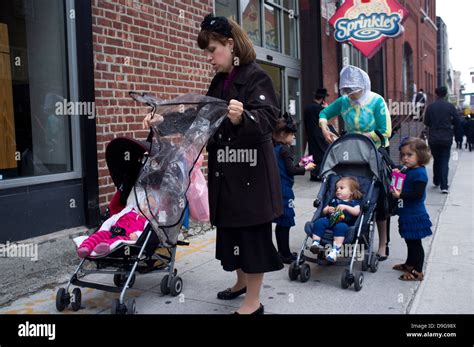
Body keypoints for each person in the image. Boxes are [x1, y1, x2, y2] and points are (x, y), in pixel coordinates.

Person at [144, 14, 283, 314]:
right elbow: (200, 118)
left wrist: (243, 116)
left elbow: (270, 118)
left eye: (212, 50)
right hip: (227, 173)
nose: (209, 58)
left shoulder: (257, 77)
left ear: (231, 45)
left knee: (251, 235)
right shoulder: (220, 81)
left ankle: (253, 301)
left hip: (251, 175)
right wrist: (163, 120)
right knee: (233, 231)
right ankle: (241, 282)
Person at [318, 65, 392, 260]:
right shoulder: (343, 102)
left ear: (364, 86)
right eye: (346, 90)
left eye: (353, 90)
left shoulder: (377, 101)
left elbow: (385, 131)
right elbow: (324, 113)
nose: (350, 94)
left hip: (374, 152)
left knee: (379, 198)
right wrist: (324, 126)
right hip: (349, 153)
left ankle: (383, 243)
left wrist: (363, 136)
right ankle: (346, 233)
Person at [272, 114, 316, 264]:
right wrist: (305, 168)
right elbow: (291, 170)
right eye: (292, 135)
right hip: (285, 191)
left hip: (277, 189)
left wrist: (299, 166)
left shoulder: (275, 148)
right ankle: (285, 255)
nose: (293, 138)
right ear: (284, 135)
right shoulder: (285, 149)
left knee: (281, 224)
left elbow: (286, 168)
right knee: (286, 223)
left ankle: (281, 252)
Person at [390, 138, 432, 281]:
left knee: (415, 244)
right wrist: (396, 174)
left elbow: (417, 194)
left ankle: (417, 271)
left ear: (420, 155)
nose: (405, 158)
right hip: (407, 213)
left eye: (409, 155)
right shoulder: (409, 169)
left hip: (415, 215)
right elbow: (403, 181)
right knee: (409, 241)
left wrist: (400, 195)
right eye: (403, 155)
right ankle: (409, 264)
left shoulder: (420, 173)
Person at [77, 189, 147, 258]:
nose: (146, 208)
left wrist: (137, 235)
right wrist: (104, 229)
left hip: (126, 236)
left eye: (151, 208)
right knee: (99, 235)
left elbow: (145, 233)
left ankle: (103, 247)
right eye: (145, 204)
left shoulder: (147, 222)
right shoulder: (129, 211)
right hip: (113, 230)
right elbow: (113, 219)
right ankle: (85, 247)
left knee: (117, 241)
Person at [309, 177, 362, 262]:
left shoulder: (353, 203)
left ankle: (335, 251)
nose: (338, 190)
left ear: (351, 192)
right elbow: (324, 210)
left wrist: (346, 207)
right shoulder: (333, 200)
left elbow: (357, 212)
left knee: (341, 227)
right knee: (319, 222)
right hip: (329, 221)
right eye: (337, 188)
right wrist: (328, 209)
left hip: (344, 224)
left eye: (341, 188)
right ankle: (316, 243)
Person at [424, 86, 460, 194]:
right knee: (444, 160)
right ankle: (444, 186)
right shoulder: (450, 107)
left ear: (436, 94)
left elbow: (426, 122)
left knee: (436, 159)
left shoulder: (430, 107)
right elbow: (457, 121)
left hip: (434, 137)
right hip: (446, 137)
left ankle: (436, 180)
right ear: (445, 94)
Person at [303, 88, 329, 181]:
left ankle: (311, 173)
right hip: (319, 135)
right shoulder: (320, 109)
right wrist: (326, 108)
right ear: (322, 99)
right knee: (322, 154)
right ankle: (319, 174)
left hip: (310, 134)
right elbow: (326, 117)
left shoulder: (307, 108)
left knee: (311, 153)